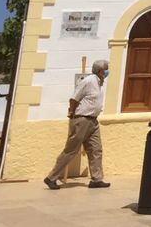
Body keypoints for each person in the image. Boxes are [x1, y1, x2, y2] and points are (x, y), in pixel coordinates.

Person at [43, 60, 110, 189]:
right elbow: (74, 99)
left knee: (96, 149)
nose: (107, 72)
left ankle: (97, 179)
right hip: (82, 120)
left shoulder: (99, 82)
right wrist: (72, 113)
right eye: (106, 69)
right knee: (71, 150)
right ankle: (51, 177)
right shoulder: (88, 81)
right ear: (100, 71)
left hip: (93, 121)